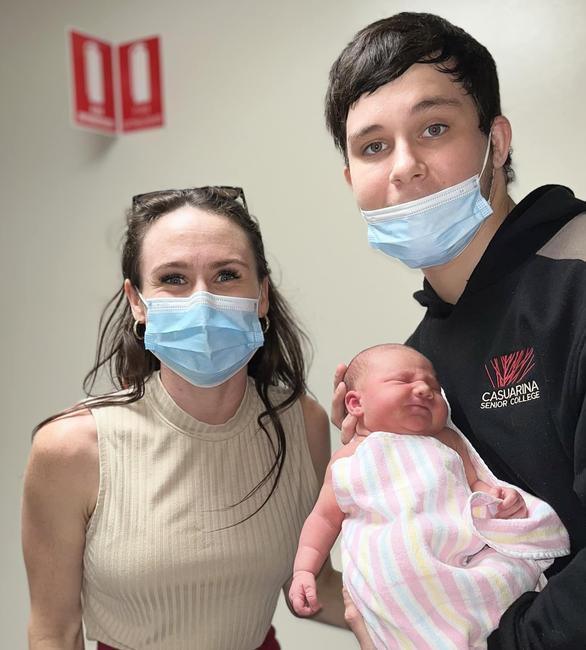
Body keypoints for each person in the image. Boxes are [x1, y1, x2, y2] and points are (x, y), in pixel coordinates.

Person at [324, 12, 586, 650]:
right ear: (350, 181)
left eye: (434, 128)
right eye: (372, 146)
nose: (404, 167)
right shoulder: (420, 361)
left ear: (496, 143)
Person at [21, 186, 347, 650]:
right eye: (173, 278)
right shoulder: (70, 450)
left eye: (227, 275)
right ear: (137, 302)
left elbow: (313, 588)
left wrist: (448, 604)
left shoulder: (303, 422)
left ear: (261, 296)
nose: (203, 300)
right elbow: (56, 631)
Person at [290, 344, 569, 649]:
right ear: (355, 403)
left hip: (459, 558)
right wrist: (305, 569)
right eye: (403, 381)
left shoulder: (446, 441)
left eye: (434, 388)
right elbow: (323, 517)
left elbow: (476, 483)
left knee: (505, 575)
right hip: (397, 577)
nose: (423, 389)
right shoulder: (349, 459)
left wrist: (497, 497)